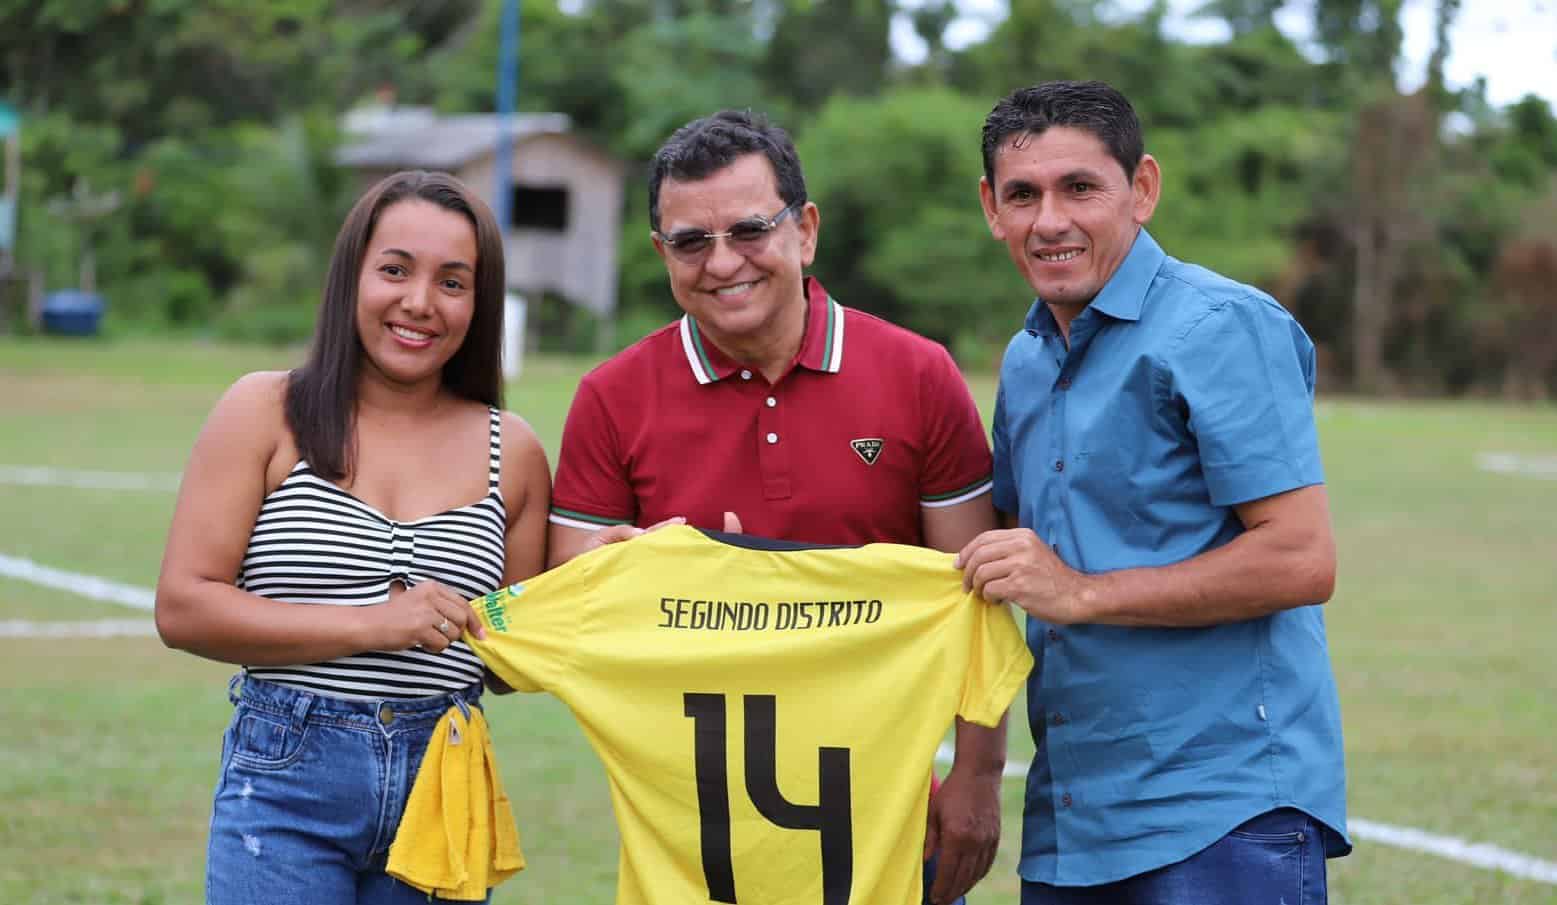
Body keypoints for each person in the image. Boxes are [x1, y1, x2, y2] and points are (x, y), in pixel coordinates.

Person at [546, 109, 1006, 905]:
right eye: (691, 241)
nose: (722, 262)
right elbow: (565, 596)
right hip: (695, 837)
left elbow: (974, 599)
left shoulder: (918, 375)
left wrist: (978, 773)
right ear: (661, 254)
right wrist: (645, 570)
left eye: (750, 230)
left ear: (805, 230)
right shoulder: (611, 396)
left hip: (891, 819)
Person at [955, 80, 1350, 904]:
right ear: (991, 208)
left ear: (1141, 189)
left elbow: (1300, 557)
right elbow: (987, 549)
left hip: (1221, 814)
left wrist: (1078, 592)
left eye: (1079, 187)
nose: (1048, 220)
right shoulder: (1025, 361)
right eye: (1022, 195)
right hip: (1071, 826)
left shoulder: (1219, 326)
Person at [154, 170, 551, 905]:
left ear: (479, 302)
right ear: (352, 277)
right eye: (395, 270)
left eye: (452, 282)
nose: (419, 302)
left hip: (444, 789)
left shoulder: (514, 450)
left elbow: (509, 665)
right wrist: (375, 623)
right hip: (286, 785)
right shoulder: (265, 411)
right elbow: (183, 608)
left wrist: (603, 569)